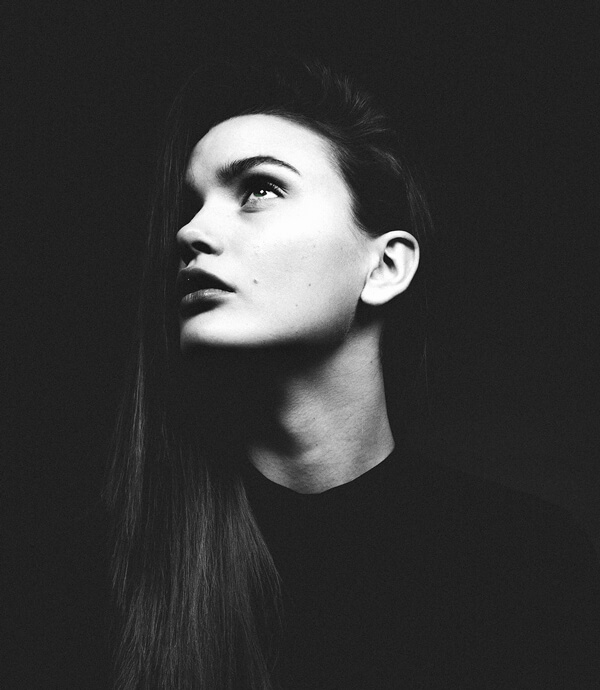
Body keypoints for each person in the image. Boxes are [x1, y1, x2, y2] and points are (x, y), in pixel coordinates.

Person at [106, 54, 600, 689]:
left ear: (385, 267)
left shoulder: (527, 562)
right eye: (189, 204)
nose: (190, 232)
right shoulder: (97, 573)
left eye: (260, 189)